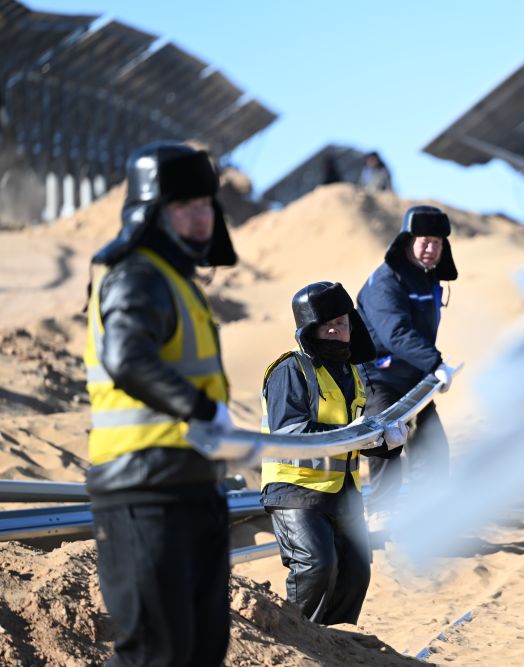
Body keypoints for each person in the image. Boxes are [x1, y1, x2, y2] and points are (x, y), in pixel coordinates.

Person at [83, 142, 237, 666]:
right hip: (144, 492)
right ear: (152, 214)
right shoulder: (137, 275)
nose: (200, 219)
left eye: (205, 205)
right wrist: (202, 410)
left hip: (193, 487)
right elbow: (126, 357)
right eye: (183, 207)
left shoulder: (178, 280)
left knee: (199, 651)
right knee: (156, 654)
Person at [259, 281, 407, 625]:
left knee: (355, 574)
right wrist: (359, 436)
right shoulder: (290, 370)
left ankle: (336, 647)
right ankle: (299, 644)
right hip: (296, 492)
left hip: (343, 493)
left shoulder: (351, 372)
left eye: (341, 323)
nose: (335, 330)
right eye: (326, 324)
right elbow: (290, 433)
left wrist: (386, 444)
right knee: (315, 566)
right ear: (308, 329)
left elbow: (357, 435)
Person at [356, 205, 458, 529]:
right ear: (408, 241)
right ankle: (381, 515)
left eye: (438, 243)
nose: (431, 248)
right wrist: (435, 363)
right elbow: (395, 333)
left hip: (414, 378)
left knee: (433, 449)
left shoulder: (429, 279)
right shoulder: (385, 282)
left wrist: (427, 368)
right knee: (385, 440)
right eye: (425, 241)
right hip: (379, 376)